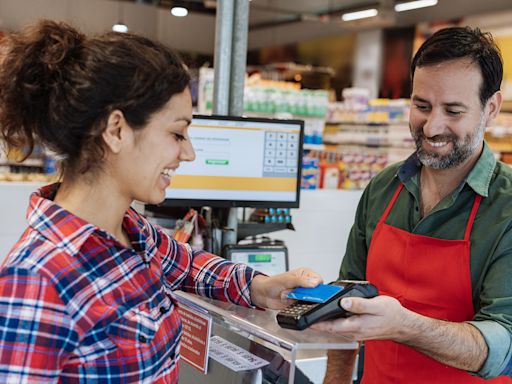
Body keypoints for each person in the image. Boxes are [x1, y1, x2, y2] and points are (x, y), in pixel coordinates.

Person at [0, 20, 322, 383]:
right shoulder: (38, 278)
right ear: (116, 130)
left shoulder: (132, 232)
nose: (188, 153)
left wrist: (260, 288)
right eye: (176, 133)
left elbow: (189, 266)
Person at [315, 27, 512, 383]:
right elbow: (344, 297)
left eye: (453, 110)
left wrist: (406, 326)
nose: (432, 126)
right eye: (422, 106)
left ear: (491, 108)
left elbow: (504, 342)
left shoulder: (506, 208)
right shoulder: (383, 188)